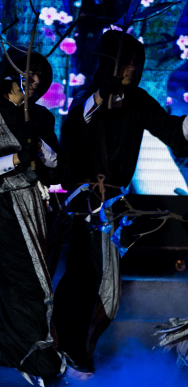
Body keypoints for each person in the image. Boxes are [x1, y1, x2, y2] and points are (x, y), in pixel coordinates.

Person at [54, 31, 188, 373]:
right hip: (86, 204)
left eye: (136, 63)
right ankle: (68, 351)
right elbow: (80, 123)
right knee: (84, 278)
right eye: (126, 62)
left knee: (105, 285)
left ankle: (75, 350)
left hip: (113, 206)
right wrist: (103, 95)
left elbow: (173, 132)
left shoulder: (138, 101)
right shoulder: (86, 101)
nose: (132, 69)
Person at [0, 46, 66, 387]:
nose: (35, 80)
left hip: (35, 207)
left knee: (20, 286)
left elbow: (57, 165)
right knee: (30, 285)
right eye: (28, 73)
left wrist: (40, 147)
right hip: (2, 208)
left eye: (39, 76)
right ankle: (40, 360)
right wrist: (17, 159)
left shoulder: (41, 117)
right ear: (10, 75)